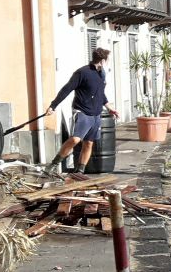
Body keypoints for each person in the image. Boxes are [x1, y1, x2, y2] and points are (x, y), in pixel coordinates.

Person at [43, 47, 120, 176]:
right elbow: (66, 89)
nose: (108, 62)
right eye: (107, 60)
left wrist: (109, 107)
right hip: (82, 112)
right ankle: (53, 164)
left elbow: (100, 93)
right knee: (75, 140)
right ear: (102, 61)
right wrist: (53, 105)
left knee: (89, 143)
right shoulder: (82, 73)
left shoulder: (101, 74)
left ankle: (80, 171)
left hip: (96, 114)